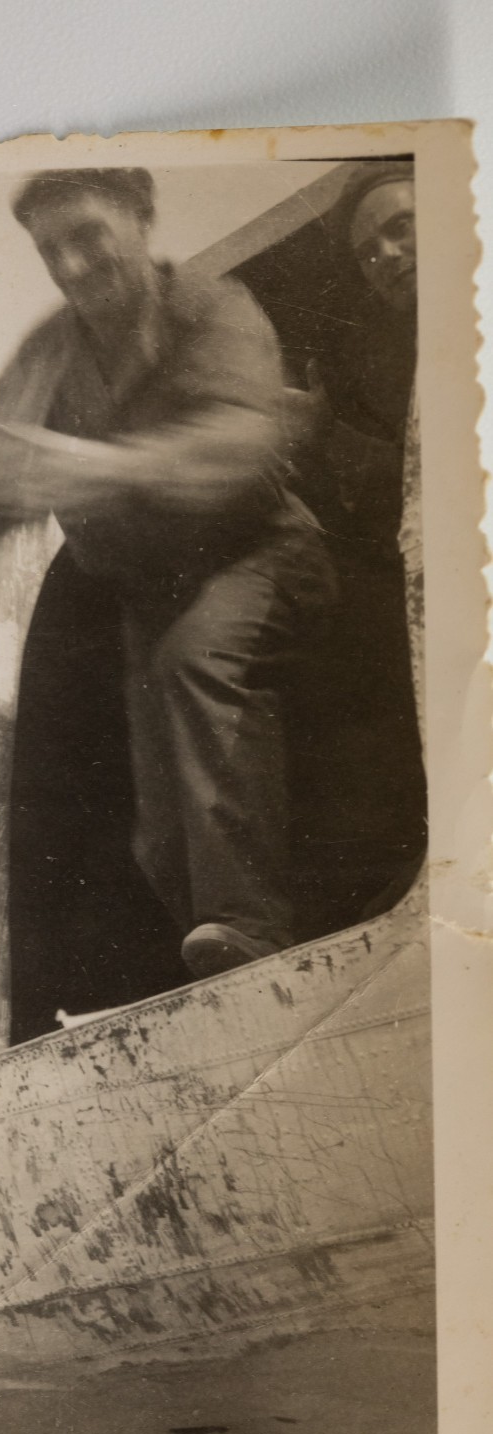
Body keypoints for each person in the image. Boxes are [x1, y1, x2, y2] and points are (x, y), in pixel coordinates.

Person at [0, 167, 336, 1033]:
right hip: (150, 596)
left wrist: (102, 467)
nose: (71, 263)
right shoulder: (46, 353)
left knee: (196, 663)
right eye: (50, 249)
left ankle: (252, 932)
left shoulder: (214, 308)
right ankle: (228, 978)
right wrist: (10, 474)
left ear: (139, 217)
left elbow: (242, 445)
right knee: (160, 830)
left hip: (263, 553)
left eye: (87, 234)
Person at [285, 163, 426, 928]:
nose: (390, 257)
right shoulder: (399, 360)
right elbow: (404, 495)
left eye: (403, 228)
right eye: (371, 253)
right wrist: (319, 437)